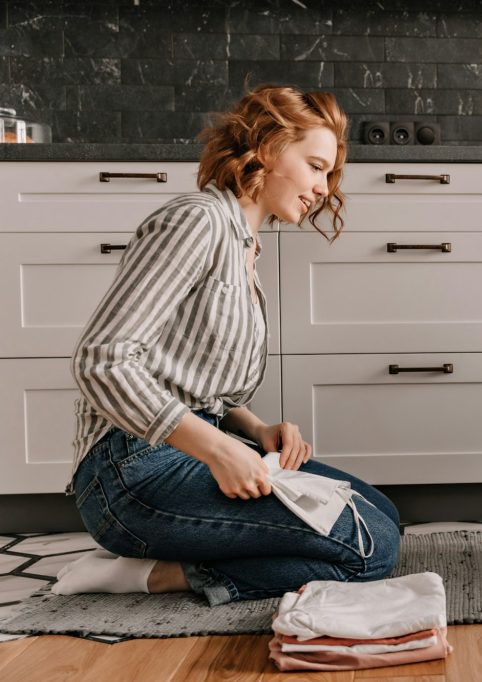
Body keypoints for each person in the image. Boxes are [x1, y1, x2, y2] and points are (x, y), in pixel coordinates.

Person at [56, 85, 400, 605]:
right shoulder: (198, 221)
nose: (324, 189)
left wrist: (254, 428)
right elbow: (103, 360)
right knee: (371, 548)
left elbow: (187, 376)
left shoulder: (243, 244)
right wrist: (219, 450)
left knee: (383, 516)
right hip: (131, 472)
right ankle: (153, 575)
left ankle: (172, 554)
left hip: (188, 451)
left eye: (329, 174)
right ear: (267, 146)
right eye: (314, 166)